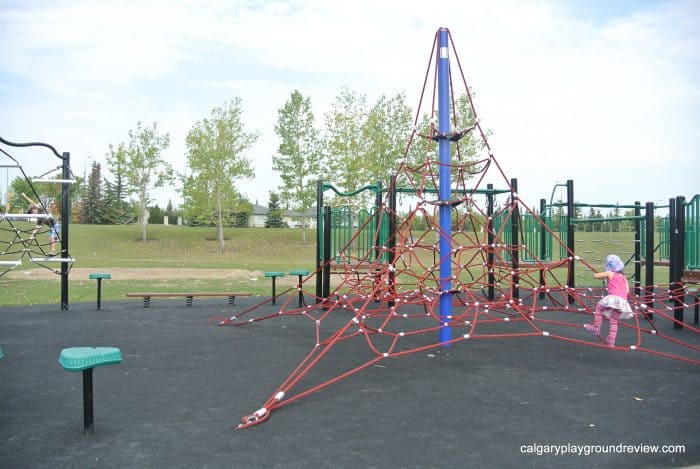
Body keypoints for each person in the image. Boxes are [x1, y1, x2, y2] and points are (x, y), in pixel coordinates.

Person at [584, 254, 634, 347]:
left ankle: (596, 327)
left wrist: (603, 275)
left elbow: (595, 275)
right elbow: (627, 291)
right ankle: (611, 341)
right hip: (623, 302)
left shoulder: (610, 273)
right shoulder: (623, 277)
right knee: (614, 320)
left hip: (614, 298)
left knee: (599, 308)